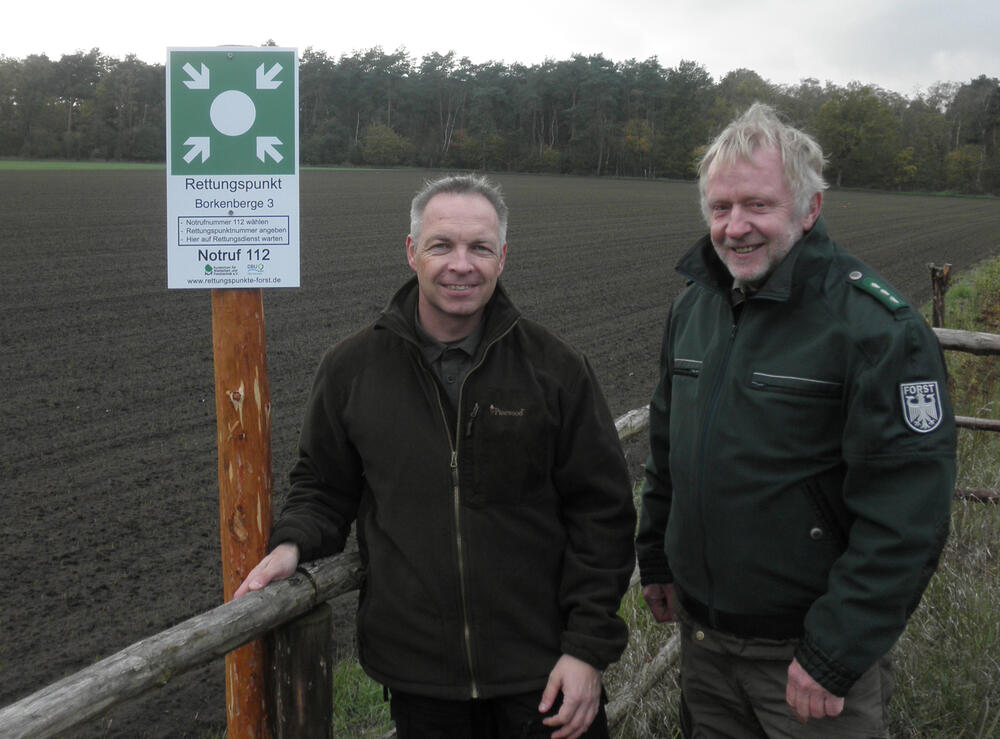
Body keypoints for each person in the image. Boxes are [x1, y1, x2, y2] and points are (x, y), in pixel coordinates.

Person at [236, 174, 636, 739]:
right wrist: (292, 543)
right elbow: (324, 484)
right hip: (420, 680)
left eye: (479, 247)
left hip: (546, 670)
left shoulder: (555, 369)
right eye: (441, 245)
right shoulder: (353, 368)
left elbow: (603, 514)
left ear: (503, 257)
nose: (460, 265)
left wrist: (587, 650)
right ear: (411, 252)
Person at [636, 103, 956, 737]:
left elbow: (907, 514)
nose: (734, 227)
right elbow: (668, 446)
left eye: (758, 205)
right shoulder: (695, 307)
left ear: (809, 210)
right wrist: (657, 559)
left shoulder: (875, 329)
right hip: (706, 643)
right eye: (720, 207)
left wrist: (833, 653)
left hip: (806, 660)